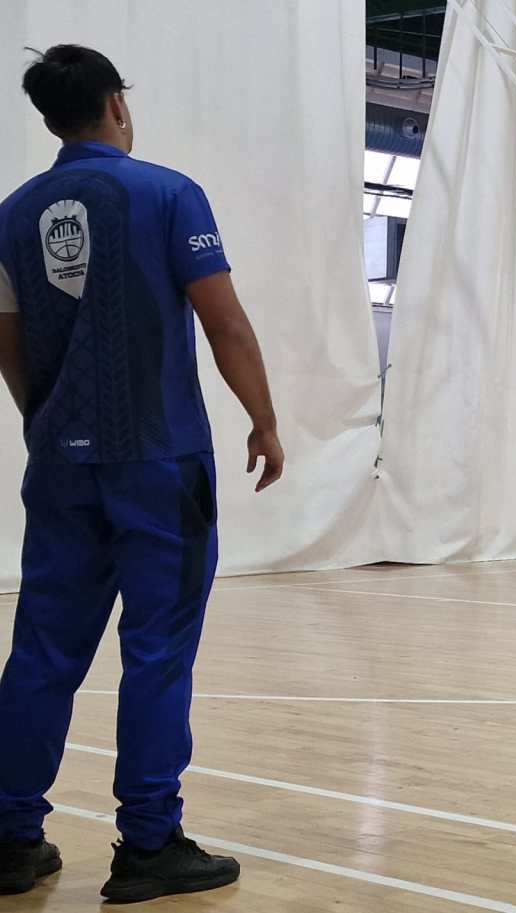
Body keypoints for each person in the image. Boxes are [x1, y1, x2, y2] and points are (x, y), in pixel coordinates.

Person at [0, 46, 284, 901]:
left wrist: (45, 423)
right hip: (159, 463)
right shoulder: (168, 194)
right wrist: (265, 420)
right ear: (117, 104)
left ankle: (10, 838)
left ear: (52, 119)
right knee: (157, 652)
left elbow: (8, 343)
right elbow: (225, 323)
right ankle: (150, 842)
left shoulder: (12, 214)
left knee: (42, 651)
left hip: (61, 466)